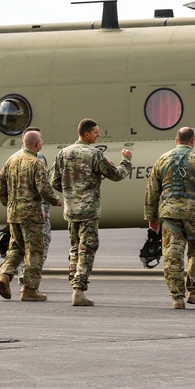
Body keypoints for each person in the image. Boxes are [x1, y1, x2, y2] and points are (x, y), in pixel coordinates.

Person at [50, 118, 133, 306]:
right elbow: (117, 174)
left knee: (74, 248)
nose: (99, 134)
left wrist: (71, 190)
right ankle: (78, 290)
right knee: (87, 248)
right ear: (86, 134)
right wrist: (126, 159)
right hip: (89, 210)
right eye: (96, 132)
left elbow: (54, 181)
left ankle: (74, 286)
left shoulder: (63, 153)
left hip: (71, 210)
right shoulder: (95, 154)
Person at [145, 127, 195, 309]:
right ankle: (194, 292)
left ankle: (177, 297)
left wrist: (152, 217)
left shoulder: (162, 160)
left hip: (170, 215)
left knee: (172, 254)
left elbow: (152, 192)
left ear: (176, 140)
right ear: (192, 141)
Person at [0, 129, 62, 301]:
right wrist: (56, 201)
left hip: (13, 213)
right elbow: (44, 189)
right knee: (34, 251)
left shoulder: (12, 160)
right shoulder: (36, 163)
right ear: (37, 144)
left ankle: (5, 275)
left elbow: (0, 182)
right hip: (31, 215)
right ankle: (30, 290)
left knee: (16, 247)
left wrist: (7, 202)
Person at [15, 126, 53, 292]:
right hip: (35, 210)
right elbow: (43, 185)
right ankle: (30, 280)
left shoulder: (13, 158)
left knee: (20, 244)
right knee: (40, 244)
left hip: (16, 210)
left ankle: (20, 273)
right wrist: (46, 206)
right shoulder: (38, 158)